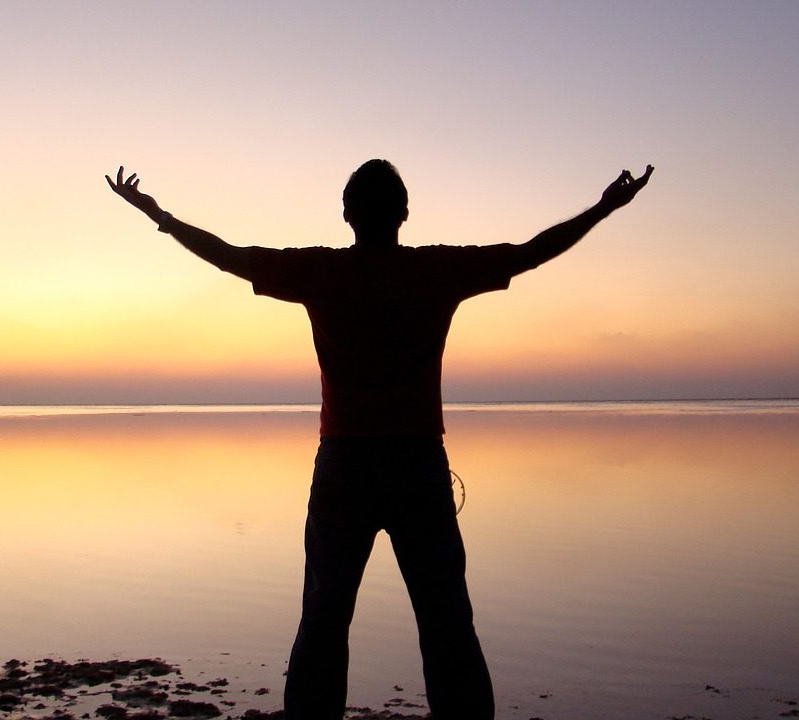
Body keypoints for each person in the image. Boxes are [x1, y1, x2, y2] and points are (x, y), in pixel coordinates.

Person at [107, 159, 652, 720]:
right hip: (416, 464)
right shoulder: (435, 271)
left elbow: (232, 257)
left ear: (346, 215)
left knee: (324, 614)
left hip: (345, 465)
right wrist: (604, 208)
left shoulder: (322, 272)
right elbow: (530, 252)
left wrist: (161, 217)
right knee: (445, 617)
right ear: (405, 214)